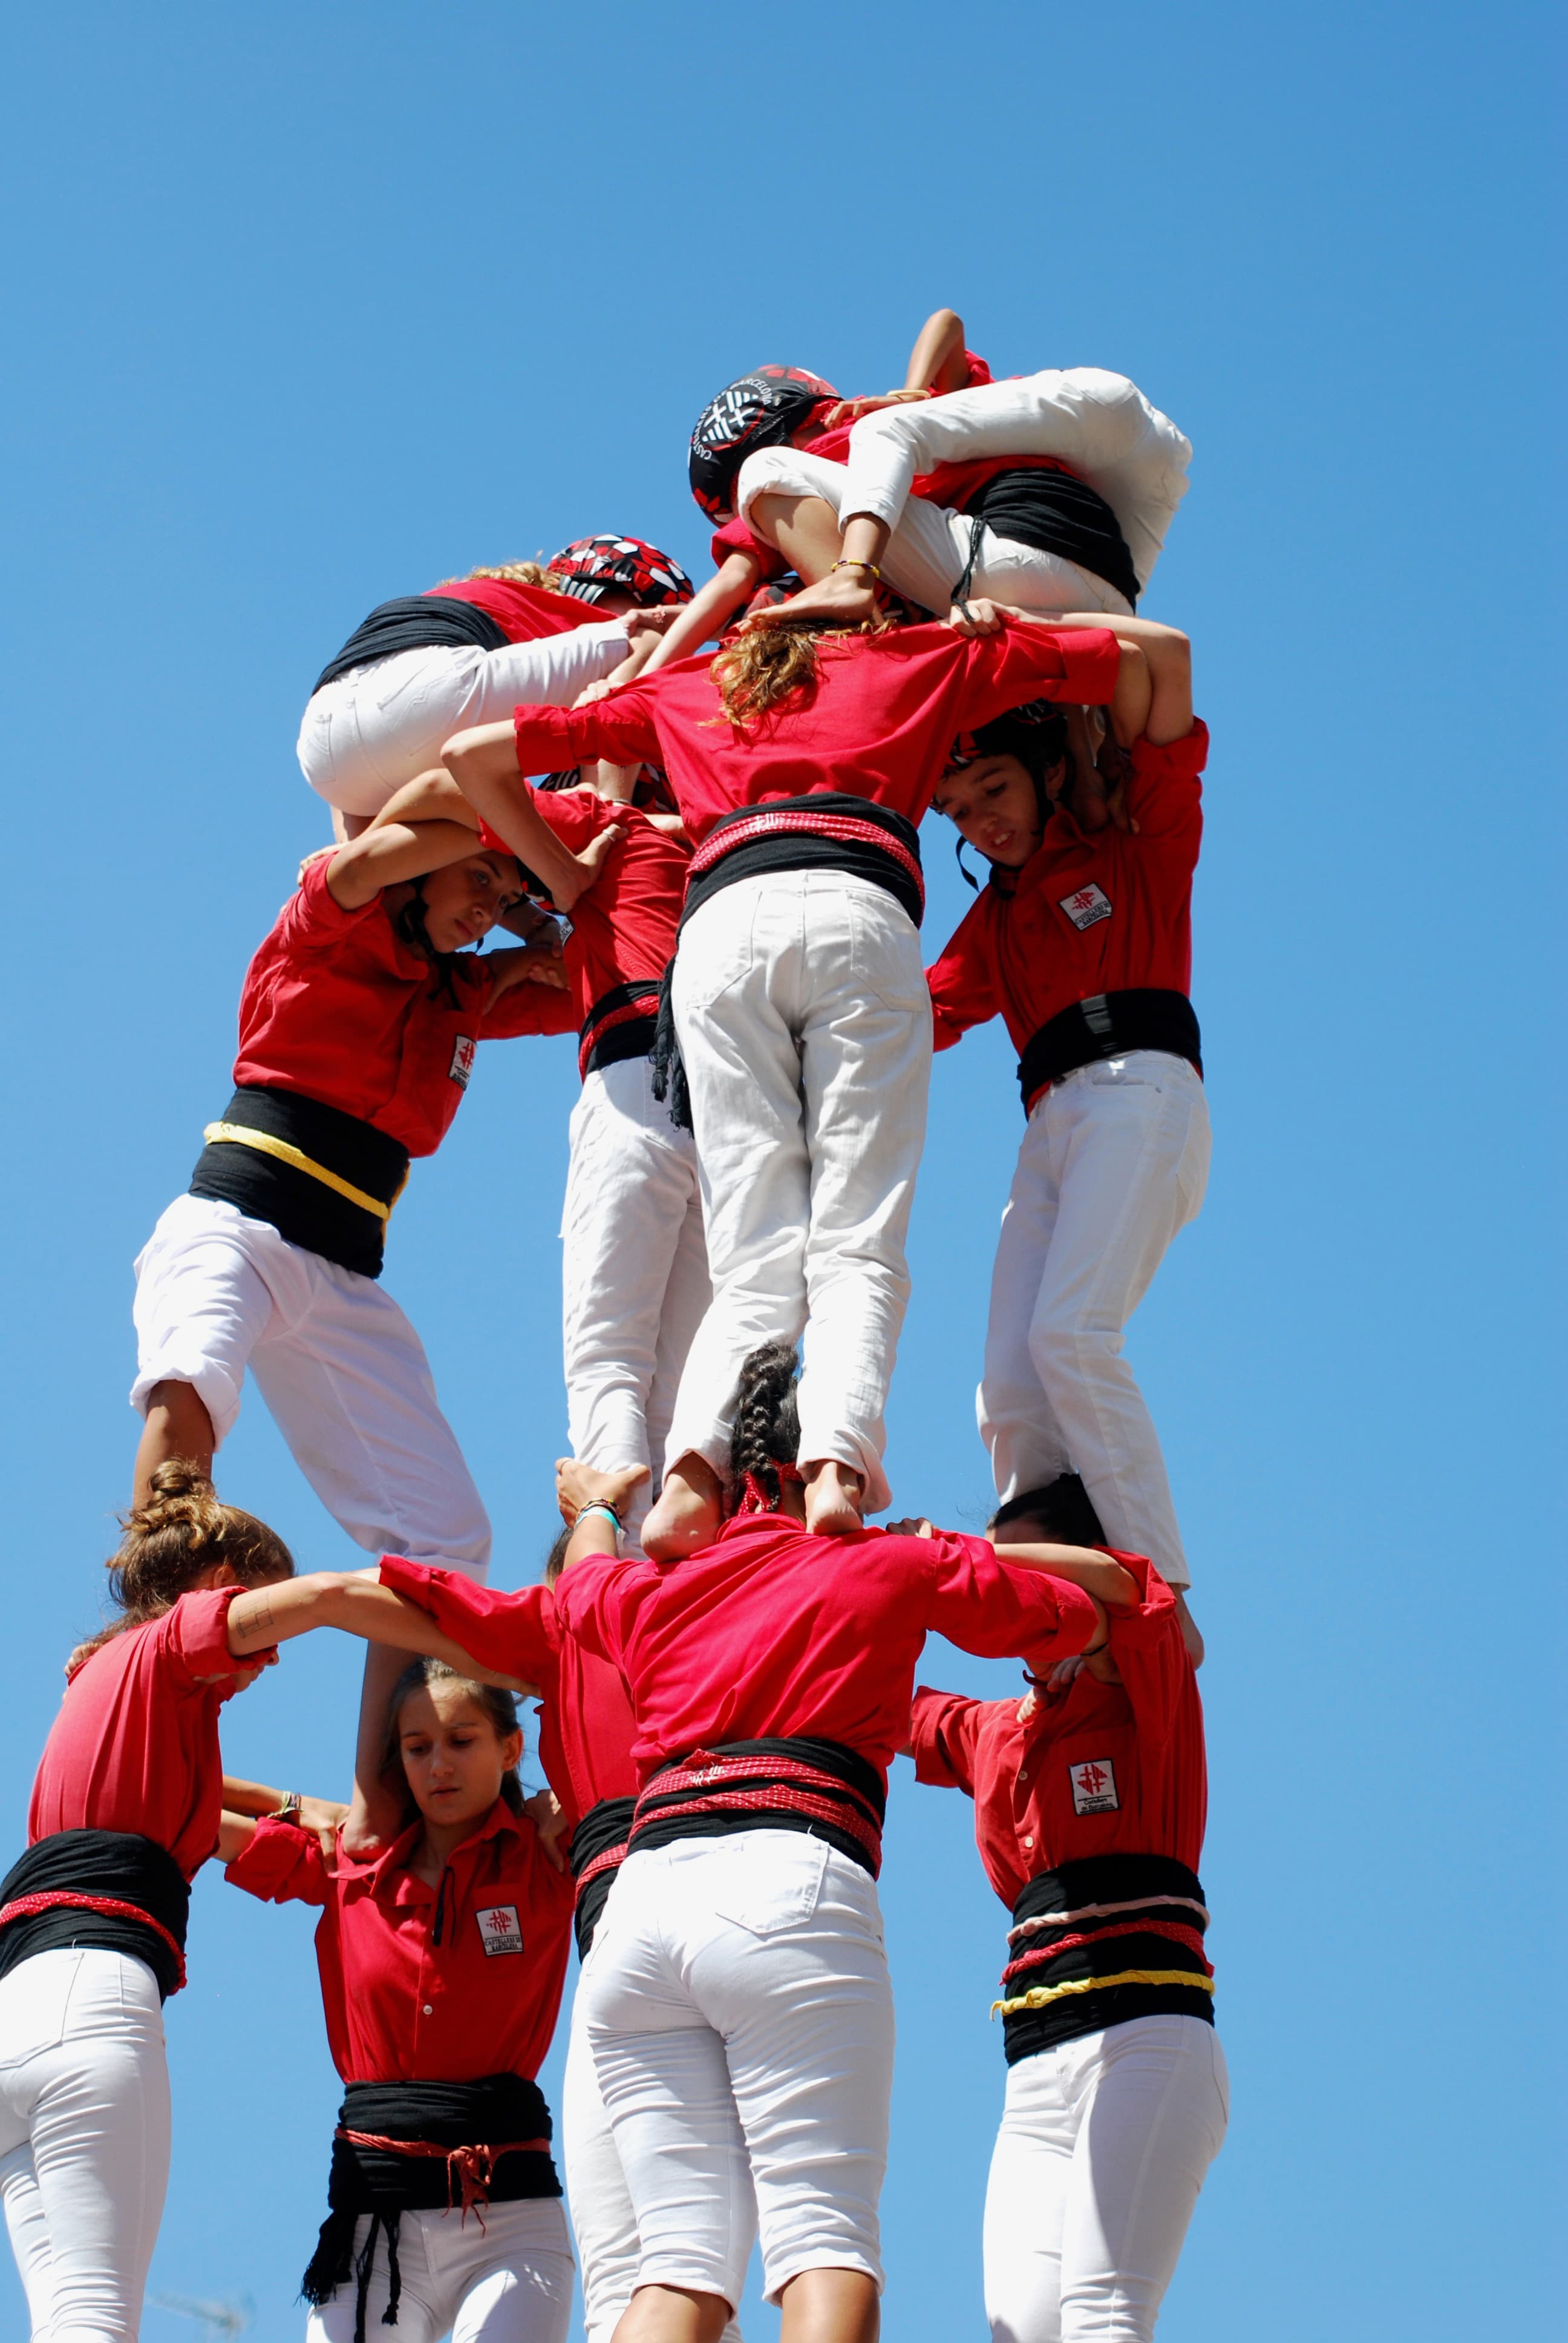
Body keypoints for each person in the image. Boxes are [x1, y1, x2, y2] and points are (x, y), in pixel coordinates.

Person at [443, 606, 1126, 1550]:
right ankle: (834, 1466)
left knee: (751, 1243)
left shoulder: (694, 685)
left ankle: (691, 1476)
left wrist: (560, 881)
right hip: (858, 909)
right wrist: (990, 619)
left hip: (724, 927)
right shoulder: (910, 659)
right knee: (858, 1234)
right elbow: (1120, 656)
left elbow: (474, 756)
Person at [546, 1340, 1139, 2343]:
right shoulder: (882, 1560)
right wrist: (935, 1543)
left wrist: (597, 1506)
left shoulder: (659, 1588)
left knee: (677, 2268)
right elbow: (1081, 1616)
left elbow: (580, 1590)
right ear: (833, 1460)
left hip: (639, 1912)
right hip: (788, 1881)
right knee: (823, 2239)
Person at [129, 797, 580, 1846]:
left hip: (342, 1279)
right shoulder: (328, 917)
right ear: (431, 863)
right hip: (235, 1222)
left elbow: (583, 977)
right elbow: (387, 849)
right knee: (192, 1374)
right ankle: (148, 1643)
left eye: (500, 893)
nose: (488, 907)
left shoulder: (465, 991)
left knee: (447, 1540)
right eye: (477, 882)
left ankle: (381, 1808)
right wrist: (502, 830)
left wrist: (535, 910)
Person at [0, 1466, 489, 2343]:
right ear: (226, 1592)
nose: (267, 1664)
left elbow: (231, 1819)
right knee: (93, 2320)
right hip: (93, 2004)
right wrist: (500, 1654)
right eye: (263, 1636)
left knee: (63, 2319)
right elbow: (337, 1594)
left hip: (18, 2010)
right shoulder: (173, 1647)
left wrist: (331, 1816)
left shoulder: (113, 1694)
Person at [368, 1534, 745, 2343]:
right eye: (419, 1749)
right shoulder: (541, 1791)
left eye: (459, 1743)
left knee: (689, 2264)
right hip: (625, 1982)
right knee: (649, 2277)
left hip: (690, 1956)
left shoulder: (678, 1675)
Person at [924, 611, 1209, 1639]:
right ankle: (1055, 1603)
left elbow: (1165, 656)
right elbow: (910, 1022)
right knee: (1007, 1387)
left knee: (1071, 1335)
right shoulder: (992, 917)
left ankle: (1163, 1600)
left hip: (1141, 1092)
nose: (978, 822)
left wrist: (1010, 622)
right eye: (955, 809)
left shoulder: (1139, 839)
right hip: (1049, 1124)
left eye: (991, 790)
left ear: (1047, 767)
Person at [907, 1475, 1225, 2343]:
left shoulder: (1141, 1683)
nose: (1010, 1602)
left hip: (1147, 2034)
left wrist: (967, 1554)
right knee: (1023, 2330)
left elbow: (1129, 1590)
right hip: (1035, 2067)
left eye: (1027, 1579)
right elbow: (870, 1704)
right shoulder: (997, 1729)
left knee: (1104, 2317)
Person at [361, 762, 707, 1555]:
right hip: (743, 1108)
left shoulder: (595, 821)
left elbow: (451, 785)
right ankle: (683, 1581)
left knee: (611, 1360)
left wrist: (368, 864)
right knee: (687, 1383)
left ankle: (614, 1579)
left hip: (636, 1079)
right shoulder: (713, 845)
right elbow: (502, 999)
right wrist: (536, 936)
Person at [223, 1658, 577, 2343]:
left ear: (510, 1748)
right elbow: (178, 1803)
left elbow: (624, 1737)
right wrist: (296, 1803)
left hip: (511, 2220)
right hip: (371, 2221)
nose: (439, 1763)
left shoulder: (548, 1852)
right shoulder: (348, 1867)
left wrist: (555, 1800)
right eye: (418, 1747)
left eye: (462, 1740)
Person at [730, 321, 1190, 634]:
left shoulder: (922, 417)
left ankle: (852, 579)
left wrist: (910, 395)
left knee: (859, 436)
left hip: (1099, 427)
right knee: (1116, 621)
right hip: (1110, 556)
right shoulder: (911, 467)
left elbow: (945, 322)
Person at [298, 537, 694, 833]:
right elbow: (649, 640)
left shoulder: (475, 601)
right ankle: (605, 806)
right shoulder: (551, 608)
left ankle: (350, 865)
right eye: (641, 604)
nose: (647, 614)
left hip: (327, 765)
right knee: (649, 643)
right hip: (423, 699)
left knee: (474, 823)